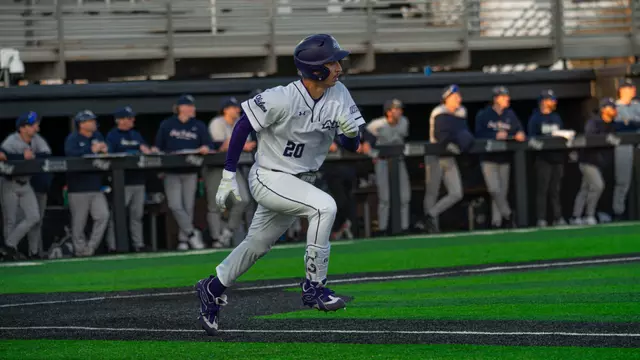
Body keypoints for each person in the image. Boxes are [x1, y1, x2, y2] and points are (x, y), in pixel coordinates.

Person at [195, 34, 364, 336]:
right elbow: (243, 124)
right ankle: (314, 286)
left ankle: (213, 286)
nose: (339, 66)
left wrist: (350, 135)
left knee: (257, 245)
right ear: (314, 69)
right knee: (324, 207)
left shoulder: (339, 93)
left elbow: (352, 145)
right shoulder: (282, 96)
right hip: (270, 177)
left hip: (300, 181)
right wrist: (228, 174)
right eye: (332, 62)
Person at [155, 95, 215, 251]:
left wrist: (205, 148)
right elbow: (158, 147)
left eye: (193, 106)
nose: (193, 109)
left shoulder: (198, 125)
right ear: (181, 108)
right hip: (172, 171)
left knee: (188, 206)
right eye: (189, 106)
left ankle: (183, 241)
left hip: (191, 170)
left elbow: (208, 144)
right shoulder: (167, 124)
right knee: (175, 205)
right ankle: (191, 233)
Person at [0, 112, 51, 260]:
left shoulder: (37, 140)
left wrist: (32, 157)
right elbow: (2, 155)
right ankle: (10, 253)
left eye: (35, 124)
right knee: (10, 219)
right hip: (9, 182)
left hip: (25, 183)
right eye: (32, 124)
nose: (36, 127)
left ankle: (8, 245)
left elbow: (46, 154)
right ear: (22, 128)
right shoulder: (11, 141)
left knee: (34, 216)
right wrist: (21, 157)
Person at [424, 84, 474, 233]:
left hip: (449, 157)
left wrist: (462, 144)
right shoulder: (439, 112)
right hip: (435, 156)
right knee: (432, 192)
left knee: (457, 193)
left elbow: (464, 134)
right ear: (447, 98)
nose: (459, 99)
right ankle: (432, 228)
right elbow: (442, 136)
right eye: (455, 96)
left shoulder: (461, 112)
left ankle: (431, 215)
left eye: (459, 96)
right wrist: (455, 143)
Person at [205, 97, 254, 248]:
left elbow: (249, 144)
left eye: (237, 107)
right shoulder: (217, 122)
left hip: (233, 166)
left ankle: (227, 231)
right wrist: (238, 144)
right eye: (233, 107)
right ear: (225, 110)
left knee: (243, 200)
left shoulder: (241, 122)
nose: (237, 110)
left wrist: (236, 143)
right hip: (215, 167)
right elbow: (221, 145)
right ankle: (215, 238)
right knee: (215, 205)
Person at [474, 86, 525, 229]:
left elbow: (519, 130)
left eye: (507, 96)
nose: (507, 99)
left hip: (504, 157)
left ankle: (497, 223)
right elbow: (478, 135)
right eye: (503, 96)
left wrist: (520, 134)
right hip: (488, 158)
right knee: (494, 190)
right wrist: (494, 136)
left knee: (502, 192)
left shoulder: (510, 114)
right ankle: (508, 215)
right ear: (496, 99)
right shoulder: (484, 114)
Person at [105, 106, 153, 252]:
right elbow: (108, 156)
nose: (132, 120)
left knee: (137, 215)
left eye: (132, 118)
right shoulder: (112, 136)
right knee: (117, 215)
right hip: (121, 182)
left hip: (138, 179)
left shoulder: (136, 135)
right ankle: (113, 246)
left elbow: (146, 150)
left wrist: (148, 151)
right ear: (120, 120)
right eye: (128, 118)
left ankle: (138, 245)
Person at [64, 110, 110, 257]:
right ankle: (80, 251)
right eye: (90, 121)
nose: (94, 123)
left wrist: (104, 151)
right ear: (82, 124)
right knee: (79, 223)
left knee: (103, 215)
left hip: (95, 186)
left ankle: (90, 248)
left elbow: (104, 156)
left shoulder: (98, 136)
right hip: (78, 188)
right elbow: (71, 155)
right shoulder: (73, 138)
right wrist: (90, 149)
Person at [364, 98, 411, 235]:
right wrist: (372, 153)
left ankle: (404, 228)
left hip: (399, 161)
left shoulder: (404, 122)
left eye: (399, 108)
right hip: (382, 161)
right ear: (388, 112)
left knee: (405, 196)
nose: (399, 111)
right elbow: (364, 139)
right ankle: (382, 229)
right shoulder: (377, 124)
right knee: (384, 198)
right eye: (395, 109)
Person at [571, 98, 619, 225]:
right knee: (598, 186)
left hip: (600, 163)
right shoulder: (594, 123)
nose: (613, 110)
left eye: (614, 107)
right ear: (603, 109)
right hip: (588, 161)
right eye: (610, 108)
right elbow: (590, 137)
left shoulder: (613, 124)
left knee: (585, 188)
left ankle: (576, 216)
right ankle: (589, 215)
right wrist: (605, 138)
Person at [527, 89, 567, 227]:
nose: (553, 102)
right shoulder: (535, 118)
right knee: (542, 190)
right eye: (551, 99)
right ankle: (541, 218)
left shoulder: (556, 117)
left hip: (557, 158)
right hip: (543, 159)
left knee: (555, 190)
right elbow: (531, 139)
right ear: (543, 101)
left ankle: (558, 217)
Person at [613, 79, 640, 221]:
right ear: (621, 90)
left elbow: (631, 123)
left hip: (637, 146)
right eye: (628, 88)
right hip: (623, 145)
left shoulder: (637, 105)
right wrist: (632, 123)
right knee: (623, 181)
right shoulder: (616, 107)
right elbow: (620, 126)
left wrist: (631, 122)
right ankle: (619, 213)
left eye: (632, 88)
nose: (631, 90)